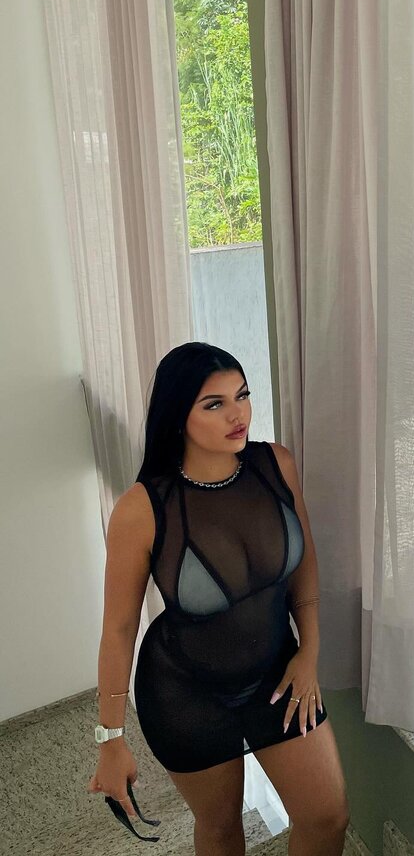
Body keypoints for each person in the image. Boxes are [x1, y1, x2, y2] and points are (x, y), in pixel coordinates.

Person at [88, 342, 350, 856]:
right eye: (215, 404)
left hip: (278, 672)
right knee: (221, 828)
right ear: (177, 416)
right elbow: (118, 630)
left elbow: (305, 564)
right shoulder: (142, 510)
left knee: (328, 817)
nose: (238, 414)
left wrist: (310, 651)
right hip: (185, 694)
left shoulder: (275, 464)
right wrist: (110, 739)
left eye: (242, 395)